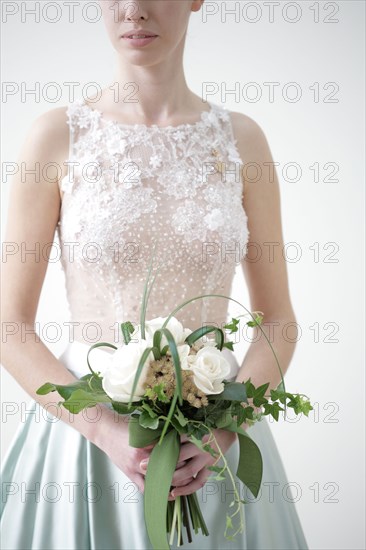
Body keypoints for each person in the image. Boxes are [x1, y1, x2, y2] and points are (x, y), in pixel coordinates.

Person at [0, 1, 309, 548]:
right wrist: (103, 429)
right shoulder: (55, 136)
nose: (134, 10)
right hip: (86, 441)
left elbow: (278, 320)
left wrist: (222, 429)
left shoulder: (243, 140)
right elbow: (9, 325)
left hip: (217, 439)